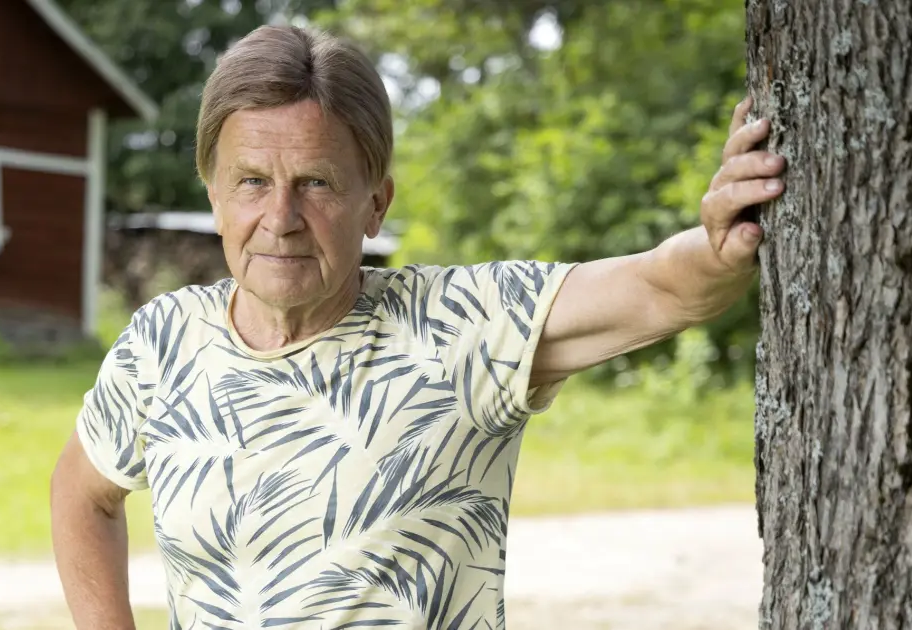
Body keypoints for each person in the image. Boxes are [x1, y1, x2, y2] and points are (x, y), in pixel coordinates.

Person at [50, 24, 785, 630]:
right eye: (251, 182)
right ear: (213, 195)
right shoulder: (162, 342)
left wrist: (717, 247)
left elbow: (658, 288)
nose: (280, 218)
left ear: (376, 203)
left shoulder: (462, 327)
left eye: (316, 183)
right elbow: (81, 494)